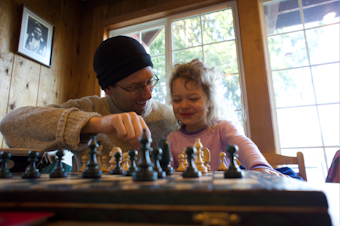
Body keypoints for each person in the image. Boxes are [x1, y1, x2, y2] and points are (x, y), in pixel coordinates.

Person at [0, 36, 177, 168]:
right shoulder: (88, 108)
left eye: (150, 82)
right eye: (135, 87)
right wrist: (96, 124)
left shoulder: (171, 117)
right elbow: (10, 125)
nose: (148, 94)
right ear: (108, 89)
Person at [166, 59, 281, 175]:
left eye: (193, 99)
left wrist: (259, 166)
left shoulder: (222, 128)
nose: (184, 106)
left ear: (210, 100)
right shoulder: (172, 139)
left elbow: (244, 145)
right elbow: (163, 175)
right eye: (177, 100)